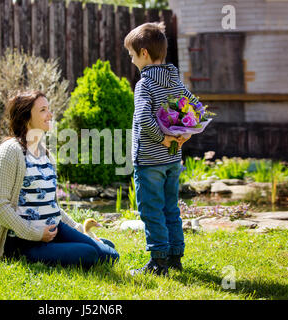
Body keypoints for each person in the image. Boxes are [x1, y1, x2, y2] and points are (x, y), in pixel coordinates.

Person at [0, 91, 119, 269]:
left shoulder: (45, 153)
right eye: (43, 110)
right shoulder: (10, 151)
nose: (50, 115)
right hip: (24, 241)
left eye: (49, 109)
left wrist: (80, 231)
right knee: (90, 254)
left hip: (55, 230)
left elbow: (52, 207)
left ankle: (77, 246)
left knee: (111, 254)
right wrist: (36, 233)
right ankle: (56, 250)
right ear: (26, 117)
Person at [124, 22, 196, 276]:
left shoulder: (145, 84)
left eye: (132, 55)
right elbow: (194, 105)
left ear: (144, 53)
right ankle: (175, 255)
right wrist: (186, 133)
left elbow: (144, 118)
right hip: (173, 159)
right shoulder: (174, 79)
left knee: (151, 209)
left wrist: (162, 138)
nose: (132, 61)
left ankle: (158, 262)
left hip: (150, 160)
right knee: (170, 207)